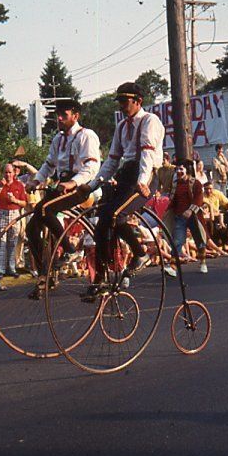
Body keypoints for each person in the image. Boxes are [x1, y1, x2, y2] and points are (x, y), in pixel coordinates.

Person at [88, 82, 165, 296]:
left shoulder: (150, 121)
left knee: (116, 215)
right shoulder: (122, 126)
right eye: (120, 101)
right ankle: (102, 277)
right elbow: (112, 160)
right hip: (126, 175)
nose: (121, 106)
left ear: (137, 101)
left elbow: (148, 155)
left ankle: (140, 253)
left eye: (124, 101)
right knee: (102, 221)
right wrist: (93, 184)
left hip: (146, 175)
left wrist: (143, 180)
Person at [24, 98, 100, 295]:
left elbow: (92, 166)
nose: (58, 118)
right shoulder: (58, 139)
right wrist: (36, 180)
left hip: (80, 187)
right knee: (32, 228)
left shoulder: (86, 136)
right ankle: (45, 272)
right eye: (57, 115)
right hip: (61, 187)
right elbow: (49, 165)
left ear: (75, 116)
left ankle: (69, 249)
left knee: (45, 209)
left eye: (63, 115)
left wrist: (73, 182)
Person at [169, 161, 208, 273]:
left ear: (187, 170)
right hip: (179, 217)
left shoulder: (195, 183)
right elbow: (172, 200)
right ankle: (173, 267)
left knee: (199, 239)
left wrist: (191, 210)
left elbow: (199, 198)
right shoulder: (175, 184)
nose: (179, 172)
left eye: (181, 169)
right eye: (177, 169)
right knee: (177, 241)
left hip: (194, 217)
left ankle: (203, 262)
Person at [0, 163, 27, 277]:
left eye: (10, 172)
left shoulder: (19, 185)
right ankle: (0, 270)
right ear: (3, 173)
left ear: (14, 173)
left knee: (13, 241)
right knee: (1, 241)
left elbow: (24, 203)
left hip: (15, 213)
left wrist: (15, 200)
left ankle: (11, 268)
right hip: (2, 212)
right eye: (6, 172)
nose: (8, 175)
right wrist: (0, 188)